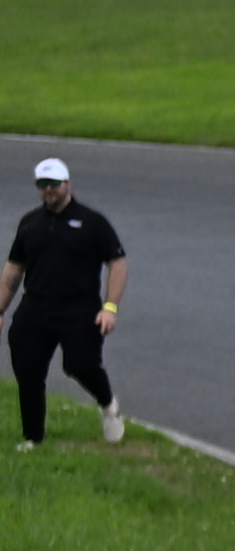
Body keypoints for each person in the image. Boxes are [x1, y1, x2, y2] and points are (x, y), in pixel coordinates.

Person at [12, 156, 124, 447]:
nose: (48, 189)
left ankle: (108, 402)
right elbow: (13, 269)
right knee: (28, 370)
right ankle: (33, 437)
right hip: (35, 306)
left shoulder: (92, 222)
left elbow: (118, 262)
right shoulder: (30, 223)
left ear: (67, 184)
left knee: (80, 364)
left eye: (54, 183)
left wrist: (109, 307)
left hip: (79, 308)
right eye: (42, 184)